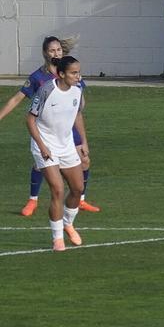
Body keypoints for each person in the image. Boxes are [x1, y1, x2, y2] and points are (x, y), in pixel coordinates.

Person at [0, 36, 100, 218]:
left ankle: (80, 199)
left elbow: (80, 105)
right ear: (45, 53)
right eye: (52, 50)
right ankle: (33, 200)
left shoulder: (70, 71)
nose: (56, 53)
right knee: (41, 164)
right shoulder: (38, 77)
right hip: (47, 128)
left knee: (84, 160)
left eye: (59, 50)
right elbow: (17, 98)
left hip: (68, 126)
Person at [26, 54, 90, 251]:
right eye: (73, 73)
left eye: (79, 72)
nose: (78, 76)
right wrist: (42, 147)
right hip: (45, 145)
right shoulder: (46, 90)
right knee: (58, 190)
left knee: (78, 188)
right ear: (61, 74)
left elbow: (77, 115)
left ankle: (68, 223)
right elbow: (30, 119)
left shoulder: (77, 90)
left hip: (66, 145)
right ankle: (57, 239)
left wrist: (84, 141)